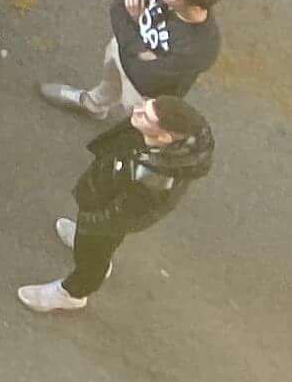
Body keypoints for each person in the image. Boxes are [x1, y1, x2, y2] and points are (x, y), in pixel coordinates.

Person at [16, 93, 212, 315]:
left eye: (146, 116)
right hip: (107, 191)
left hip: (111, 213)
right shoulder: (169, 139)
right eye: (146, 106)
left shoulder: (154, 176)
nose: (136, 110)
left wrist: (93, 222)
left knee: (95, 249)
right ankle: (87, 242)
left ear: (165, 137)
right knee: (95, 239)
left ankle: (73, 293)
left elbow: (125, 212)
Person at [42, 0, 222, 126]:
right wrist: (140, 48)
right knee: (109, 83)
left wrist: (135, 26)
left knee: (136, 124)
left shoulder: (202, 47)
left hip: (144, 92)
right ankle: (93, 105)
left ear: (195, 7)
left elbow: (144, 75)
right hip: (120, 50)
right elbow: (118, 6)